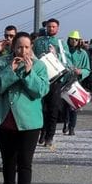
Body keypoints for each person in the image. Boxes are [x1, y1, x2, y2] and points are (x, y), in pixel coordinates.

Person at [0, 31, 49, 184]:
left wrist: (29, 73)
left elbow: (41, 90)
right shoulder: (1, 63)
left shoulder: (39, 65)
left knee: (25, 162)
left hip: (29, 122)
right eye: (20, 47)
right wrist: (10, 71)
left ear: (31, 48)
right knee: (8, 160)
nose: (23, 51)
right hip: (4, 120)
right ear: (13, 47)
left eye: (27, 47)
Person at [33, 18, 72, 147]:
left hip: (56, 80)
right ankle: (42, 132)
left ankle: (50, 135)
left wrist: (56, 55)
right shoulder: (38, 42)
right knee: (40, 108)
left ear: (57, 28)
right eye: (49, 27)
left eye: (53, 27)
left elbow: (67, 61)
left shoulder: (61, 43)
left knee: (53, 109)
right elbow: (33, 57)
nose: (51, 29)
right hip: (41, 78)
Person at [62, 30, 91, 136]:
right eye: (71, 39)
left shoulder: (83, 53)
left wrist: (81, 71)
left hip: (76, 82)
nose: (73, 41)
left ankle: (72, 127)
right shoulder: (64, 52)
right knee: (64, 104)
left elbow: (87, 69)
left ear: (79, 41)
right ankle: (65, 122)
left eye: (76, 40)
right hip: (64, 80)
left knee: (74, 105)